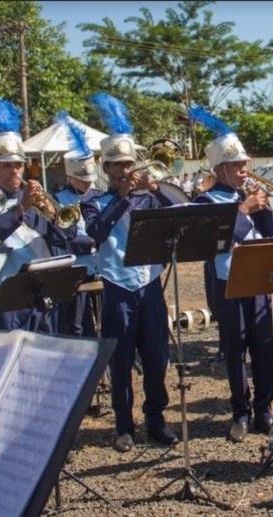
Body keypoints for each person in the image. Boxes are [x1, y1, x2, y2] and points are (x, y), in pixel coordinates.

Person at [80, 93, 179, 453]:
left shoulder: (148, 197)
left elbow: (179, 212)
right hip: (117, 287)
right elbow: (95, 233)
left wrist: (156, 188)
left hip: (150, 284)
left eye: (127, 163)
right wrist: (122, 196)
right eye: (117, 165)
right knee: (120, 362)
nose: (124, 170)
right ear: (105, 170)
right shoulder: (95, 200)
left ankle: (156, 420)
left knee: (157, 357)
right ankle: (124, 425)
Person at [189, 105, 273, 442]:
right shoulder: (205, 201)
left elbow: (270, 236)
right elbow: (218, 240)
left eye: (245, 164)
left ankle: (264, 408)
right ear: (221, 168)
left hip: (258, 281)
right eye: (237, 165)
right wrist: (244, 210)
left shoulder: (248, 196)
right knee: (235, 349)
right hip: (227, 283)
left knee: (264, 347)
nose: (244, 170)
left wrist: (264, 209)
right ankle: (239, 411)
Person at [0, 96, 73, 333]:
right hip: (7, 296)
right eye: (6, 165)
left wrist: (55, 217)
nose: (14, 170)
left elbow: (61, 238)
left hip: (43, 290)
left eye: (18, 164)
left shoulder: (37, 198)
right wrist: (21, 208)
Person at [53, 113, 98, 338]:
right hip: (75, 266)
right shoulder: (58, 199)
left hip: (100, 264)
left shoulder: (99, 196)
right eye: (81, 179)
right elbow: (61, 235)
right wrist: (88, 242)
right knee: (77, 322)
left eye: (89, 179)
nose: (86, 183)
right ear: (69, 177)